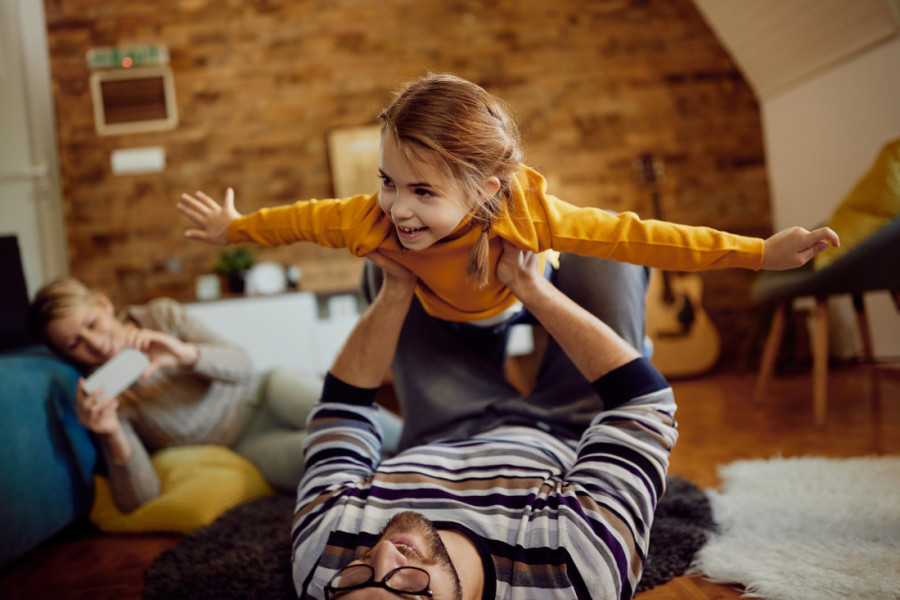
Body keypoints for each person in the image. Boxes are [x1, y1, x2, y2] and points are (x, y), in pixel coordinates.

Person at [177, 72, 839, 367]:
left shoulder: (528, 215)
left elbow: (646, 236)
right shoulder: (370, 221)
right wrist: (235, 229)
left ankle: (616, 360)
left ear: (485, 189)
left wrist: (759, 253)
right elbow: (299, 219)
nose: (399, 207)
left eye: (423, 192)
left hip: (524, 293)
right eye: (387, 182)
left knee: (611, 261)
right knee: (374, 277)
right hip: (447, 320)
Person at [291, 244, 676, 599]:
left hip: (439, 425)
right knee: (607, 255)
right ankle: (632, 344)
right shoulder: (574, 575)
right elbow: (642, 402)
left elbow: (340, 411)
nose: (384, 553)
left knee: (400, 256)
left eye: (355, 579)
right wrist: (529, 287)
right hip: (568, 428)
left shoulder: (323, 566)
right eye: (406, 589)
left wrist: (395, 291)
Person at [27, 277, 402, 513]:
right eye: (75, 343)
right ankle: (413, 477)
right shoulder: (108, 400)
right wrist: (111, 433)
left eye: (92, 324)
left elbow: (243, 364)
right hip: (243, 442)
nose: (95, 344)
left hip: (264, 390)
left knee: (356, 419)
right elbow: (138, 500)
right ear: (66, 355)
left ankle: (421, 438)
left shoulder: (160, 316)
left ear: (104, 305)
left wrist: (184, 354)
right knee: (340, 458)